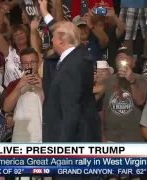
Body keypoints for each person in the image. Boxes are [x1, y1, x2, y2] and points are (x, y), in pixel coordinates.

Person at [39, 0, 101, 142]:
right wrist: (44, 11)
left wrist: (64, 148)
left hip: (71, 139)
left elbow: (71, 111)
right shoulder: (80, 55)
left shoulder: (71, 67)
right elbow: (58, 28)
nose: (52, 40)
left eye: (53, 37)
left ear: (61, 40)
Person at [101, 48, 147, 142]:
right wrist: (102, 136)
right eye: (120, 58)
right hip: (111, 138)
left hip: (134, 138)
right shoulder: (106, 82)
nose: (123, 61)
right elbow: (101, 111)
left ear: (133, 63)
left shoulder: (140, 79)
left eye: (126, 58)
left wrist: (132, 80)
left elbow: (140, 101)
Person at [3, 48, 44, 143]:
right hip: (20, 138)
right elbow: (6, 108)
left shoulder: (46, 82)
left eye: (32, 62)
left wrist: (41, 88)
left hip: (43, 136)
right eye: (25, 63)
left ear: (38, 63)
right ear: (21, 65)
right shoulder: (14, 84)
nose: (29, 66)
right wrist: (19, 86)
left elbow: (52, 108)